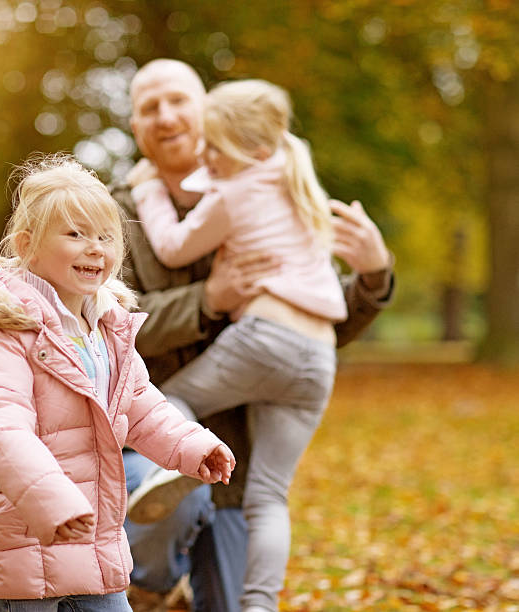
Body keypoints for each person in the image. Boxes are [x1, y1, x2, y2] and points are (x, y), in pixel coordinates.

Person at [116, 59, 395, 612]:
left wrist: (374, 274)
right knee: (171, 497)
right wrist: (208, 299)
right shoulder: (114, 216)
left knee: (235, 589)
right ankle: (147, 581)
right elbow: (104, 327)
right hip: (149, 452)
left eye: (178, 100)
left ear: (207, 112)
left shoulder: (260, 186)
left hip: (233, 468)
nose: (167, 116)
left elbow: (314, 313)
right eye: (149, 108)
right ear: (134, 128)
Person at [0, 153, 235, 611]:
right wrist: (51, 502)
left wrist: (194, 446)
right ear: (26, 246)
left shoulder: (105, 327)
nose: (95, 247)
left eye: (105, 236)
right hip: (27, 534)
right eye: (75, 234)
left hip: (94, 532)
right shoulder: (8, 330)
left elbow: (141, 405)